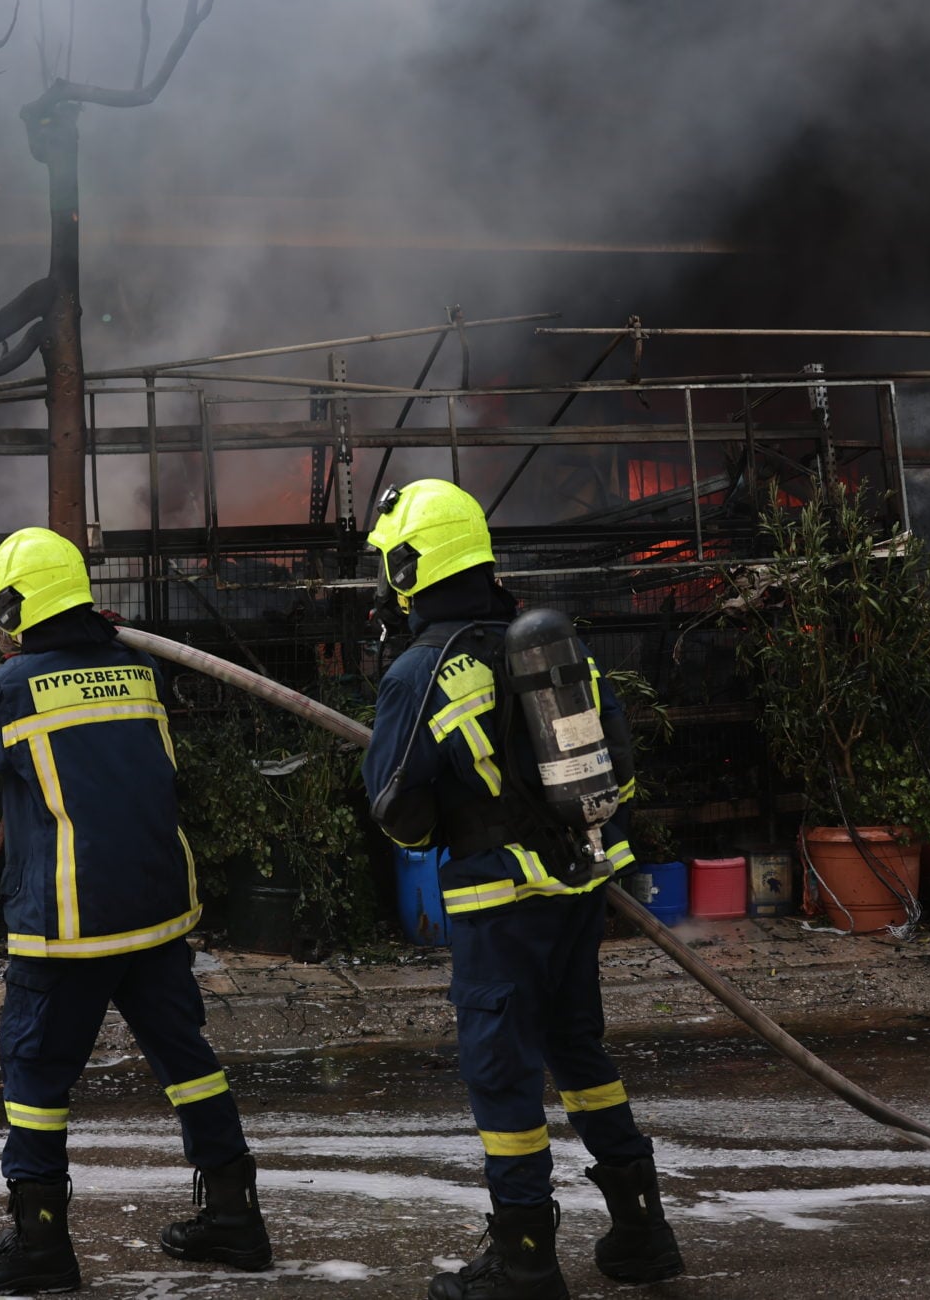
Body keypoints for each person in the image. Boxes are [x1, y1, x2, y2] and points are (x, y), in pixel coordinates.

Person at [361, 480, 685, 1296]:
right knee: (579, 1050)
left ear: (409, 564)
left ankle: (524, 1262)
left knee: (502, 1074)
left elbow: (396, 812)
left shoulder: (419, 669)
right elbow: (619, 766)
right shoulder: (548, 645)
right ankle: (643, 1229)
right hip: (581, 887)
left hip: (498, 907)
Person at [0, 526, 273, 1294]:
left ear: (18, 607)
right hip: (155, 910)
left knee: (34, 1077)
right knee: (186, 1062)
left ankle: (39, 1243)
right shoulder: (139, 670)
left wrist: (9, 664)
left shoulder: (7, 690)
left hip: (70, 924)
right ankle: (233, 1214)